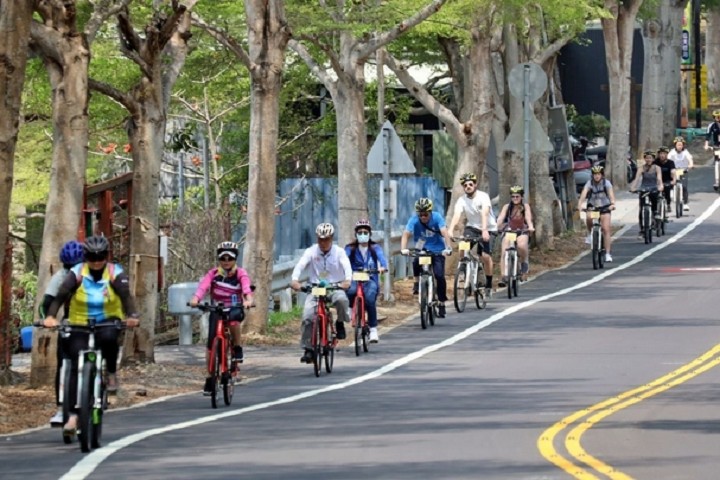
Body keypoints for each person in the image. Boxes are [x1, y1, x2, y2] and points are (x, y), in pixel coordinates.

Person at [42, 235, 139, 433]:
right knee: (76, 361)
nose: (96, 261)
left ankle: (111, 372)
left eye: (101, 256)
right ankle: (72, 415)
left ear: (106, 256)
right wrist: (51, 317)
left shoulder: (115, 272)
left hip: (108, 319)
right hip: (80, 321)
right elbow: (60, 296)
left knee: (110, 338)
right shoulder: (76, 272)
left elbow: (125, 295)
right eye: (92, 257)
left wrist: (132, 315)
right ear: (85, 257)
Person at [189, 241, 255, 395]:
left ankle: (237, 348)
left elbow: (246, 288)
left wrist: (248, 299)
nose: (226, 262)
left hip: (234, 308)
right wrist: (195, 299)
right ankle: (210, 377)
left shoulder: (240, 273)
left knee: (233, 322)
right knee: (211, 345)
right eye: (223, 258)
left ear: (235, 259)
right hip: (217, 309)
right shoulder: (213, 273)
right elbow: (203, 287)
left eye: (229, 258)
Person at [290, 223, 352, 364]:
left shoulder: (339, 252)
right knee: (307, 317)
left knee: (342, 301)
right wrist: (295, 281)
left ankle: (340, 322)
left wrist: (347, 281)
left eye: (327, 239)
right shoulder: (311, 251)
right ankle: (308, 348)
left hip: (335, 286)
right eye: (321, 239)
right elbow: (300, 265)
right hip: (315, 288)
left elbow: (347, 267)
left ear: (332, 239)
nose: (323, 243)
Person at [40, 240, 85, 427]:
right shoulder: (61, 276)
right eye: (68, 266)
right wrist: (47, 318)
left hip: (94, 320)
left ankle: (101, 379)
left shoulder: (95, 275)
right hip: (71, 321)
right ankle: (61, 408)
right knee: (64, 362)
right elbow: (48, 301)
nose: (71, 270)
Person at [400, 197, 454, 317]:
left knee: (439, 275)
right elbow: (405, 234)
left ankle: (441, 302)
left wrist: (448, 247)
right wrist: (403, 249)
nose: (423, 217)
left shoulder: (437, 217)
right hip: (422, 248)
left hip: (437, 250)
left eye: (425, 214)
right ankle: (417, 282)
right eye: (421, 214)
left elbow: (444, 232)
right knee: (415, 262)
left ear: (430, 212)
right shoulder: (414, 220)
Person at [447, 173, 498, 297]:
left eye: (470, 184)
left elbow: (484, 213)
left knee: (485, 256)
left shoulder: (483, 196)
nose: (468, 186)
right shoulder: (461, 200)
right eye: (465, 185)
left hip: (489, 228)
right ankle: (463, 269)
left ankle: (489, 284)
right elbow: (457, 215)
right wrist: (450, 229)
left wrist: (485, 230)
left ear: (475, 185)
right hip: (473, 228)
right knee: (463, 246)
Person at [344, 219, 388, 343]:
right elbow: (343, 259)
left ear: (369, 234)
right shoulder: (350, 248)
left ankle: (373, 329)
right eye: (360, 232)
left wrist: (382, 267)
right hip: (354, 278)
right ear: (356, 234)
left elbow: (381, 258)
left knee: (369, 299)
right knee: (350, 291)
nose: (363, 234)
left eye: (365, 232)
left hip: (370, 279)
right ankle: (351, 308)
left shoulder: (375, 248)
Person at [496, 185, 536, 284]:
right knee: (505, 250)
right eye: (513, 196)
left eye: (517, 196)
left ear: (521, 197)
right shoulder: (507, 207)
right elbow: (501, 218)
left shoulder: (525, 206)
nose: (515, 199)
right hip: (510, 231)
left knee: (522, 246)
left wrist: (530, 226)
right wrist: (496, 226)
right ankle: (504, 276)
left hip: (522, 230)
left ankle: (524, 262)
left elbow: (528, 217)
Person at [577, 166, 616, 262]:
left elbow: (611, 196)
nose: (597, 176)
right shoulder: (589, 183)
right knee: (589, 217)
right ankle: (591, 234)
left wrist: (612, 204)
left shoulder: (606, 183)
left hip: (605, 207)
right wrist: (579, 205)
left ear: (602, 175)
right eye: (595, 174)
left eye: (599, 174)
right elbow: (584, 194)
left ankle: (607, 254)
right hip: (593, 207)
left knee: (606, 229)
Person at [630, 150, 664, 236]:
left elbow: (659, 179)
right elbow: (636, 179)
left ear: (653, 159)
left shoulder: (657, 168)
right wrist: (633, 187)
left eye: (650, 158)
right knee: (641, 209)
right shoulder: (641, 168)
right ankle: (642, 229)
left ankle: (655, 212)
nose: (648, 160)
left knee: (654, 198)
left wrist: (660, 186)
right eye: (647, 158)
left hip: (653, 187)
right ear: (644, 159)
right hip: (644, 188)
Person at [668, 136, 693, 211]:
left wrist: (690, 165)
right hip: (674, 171)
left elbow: (690, 159)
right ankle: (669, 202)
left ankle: (685, 203)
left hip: (683, 170)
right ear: (675, 145)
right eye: (678, 144)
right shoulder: (672, 152)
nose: (679, 146)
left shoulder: (685, 152)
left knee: (684, 187)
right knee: (670, 185)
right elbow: (668, 160)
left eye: (681, 145)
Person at [653, 145, 676, 215]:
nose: (662, 155)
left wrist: (674, 180)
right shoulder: (655, 162)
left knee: (667, 189)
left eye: (664, 153)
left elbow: (673, 172)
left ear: (667, 154)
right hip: (656, 181)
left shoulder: (670, 162)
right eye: (661, 153)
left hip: (667, 181)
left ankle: (668, 204)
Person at [704, 109, 720, 190]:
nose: (718, 118)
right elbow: (708, 136)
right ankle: (717, 181)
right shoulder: (712, 125)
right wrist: (706, 145)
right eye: (717, 117)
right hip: (717, 146)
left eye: (719, 117)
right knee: (717, 163)